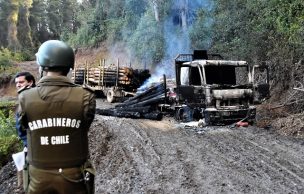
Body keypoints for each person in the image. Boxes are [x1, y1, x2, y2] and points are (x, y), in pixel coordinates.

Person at [17, 40, 96, 194]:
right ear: (69, 67)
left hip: (38, 176)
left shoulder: (25, 97)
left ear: (41, 66)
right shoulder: (86, 96)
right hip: (74, 175)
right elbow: (84, 126)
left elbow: (23, 129)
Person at [15, 72, 36, 147]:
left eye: (21, 82)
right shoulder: (22, 99)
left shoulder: (37, 97)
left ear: (30, 82)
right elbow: (20, 128)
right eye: (16, 83)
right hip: (30, 143)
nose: (18, 85)